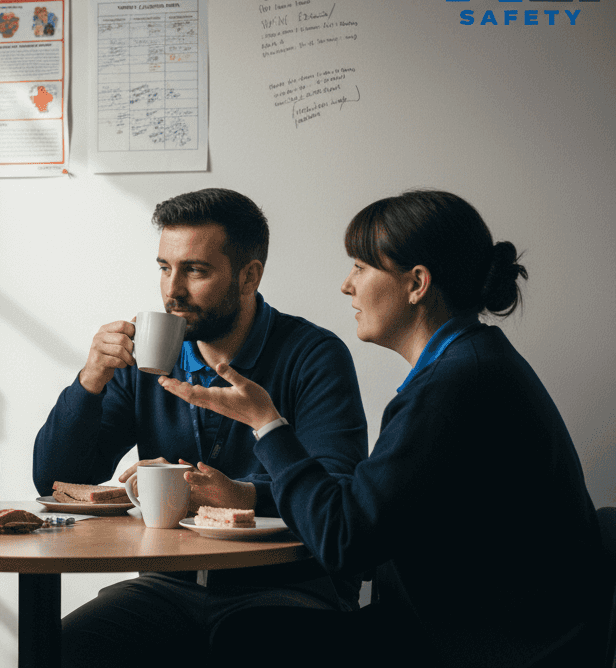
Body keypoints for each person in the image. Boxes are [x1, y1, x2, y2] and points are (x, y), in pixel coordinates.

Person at [163, 190, 601, 667]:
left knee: (243, 639)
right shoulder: (471, 365)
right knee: (242, 632)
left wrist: (266, 423)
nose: (347, 285)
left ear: (417, 284)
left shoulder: (455, 385)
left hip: (485, 646)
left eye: (361, 267)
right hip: (463, 631)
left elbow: (344, 542)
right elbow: (366, 522)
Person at [32, 188, 369, 664]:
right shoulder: (146, 360)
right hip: (169, 583)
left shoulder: (314, 355)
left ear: (249, 276)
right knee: (55, 653)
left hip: (287, 588)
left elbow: (338, 489)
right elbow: (55, 480)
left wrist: (238, 495)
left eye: (195, 270)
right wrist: (89, 381)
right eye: (165, 267)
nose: (172, 291)